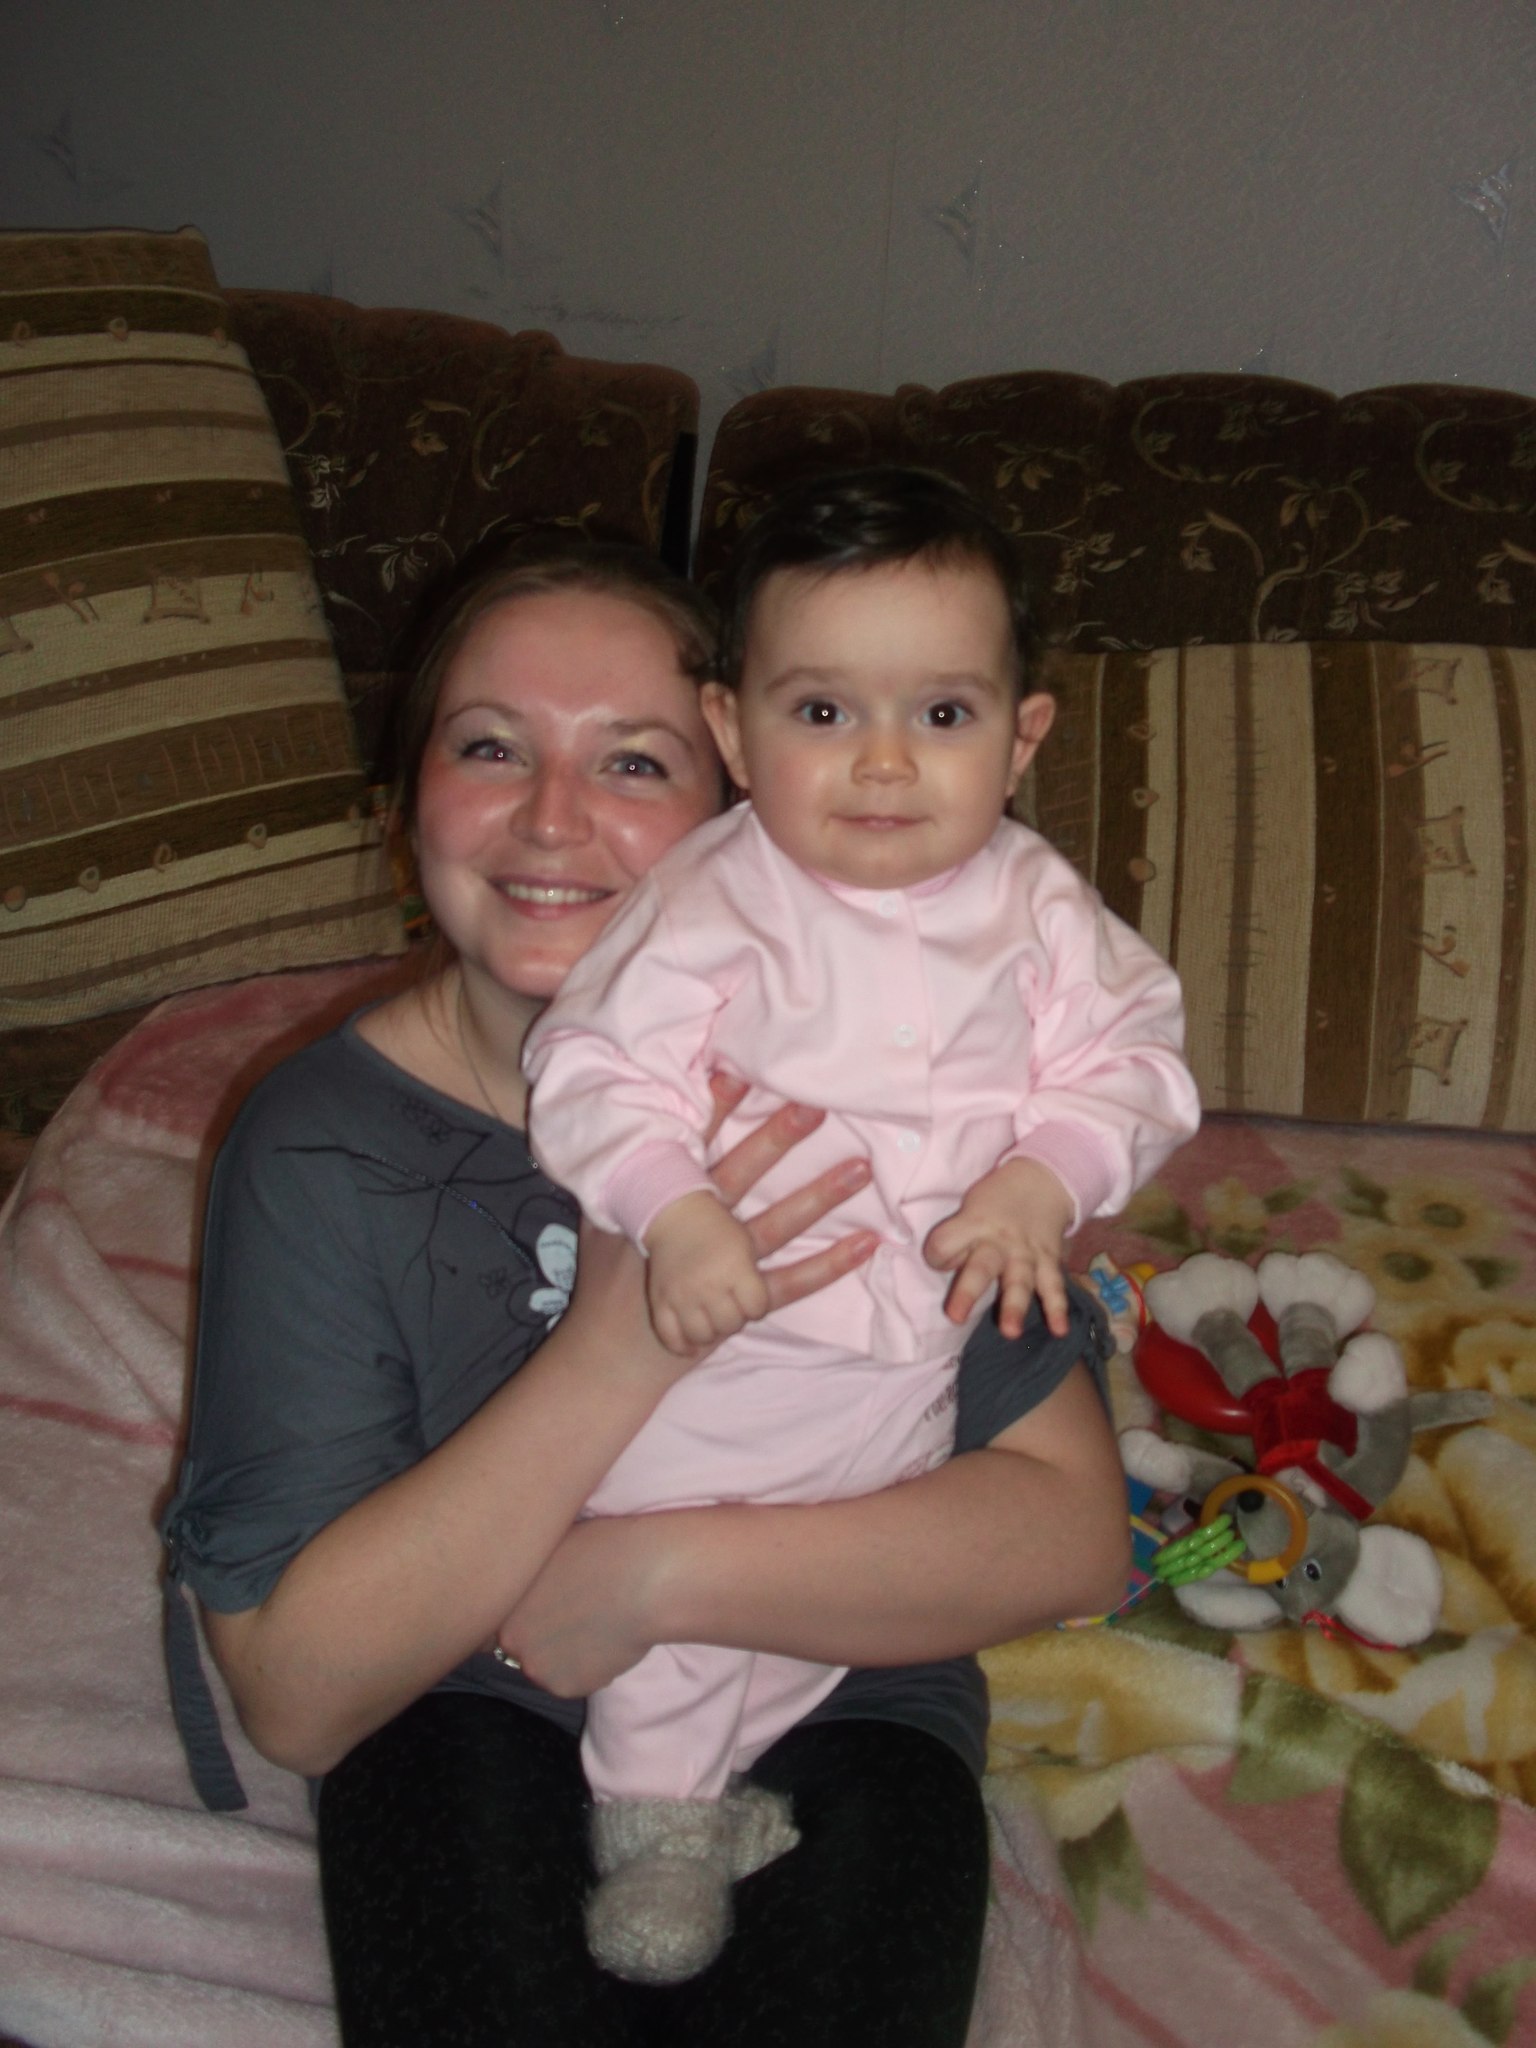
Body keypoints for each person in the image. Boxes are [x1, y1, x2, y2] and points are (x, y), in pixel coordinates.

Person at [162, 530, 1138, 2048]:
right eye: (491, 746)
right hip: (468, 1694)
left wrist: (658, 1576)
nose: (552, 819)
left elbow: (1069, 1533)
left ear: (745, 797)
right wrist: (621, 1346)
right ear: (408, 792)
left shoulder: (889, 1089)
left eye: (633, 762)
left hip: (841, 1683)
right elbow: (297, 1695)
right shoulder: (323, 1149)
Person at [523, 469, 1201, 1982]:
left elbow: (1135, 1061)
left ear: (1023, 735)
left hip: (920, 1357)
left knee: (833, 1576)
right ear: (730, 729)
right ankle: (656, 1820)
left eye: (942, 714)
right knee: (676, 1536)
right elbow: (595, 1069)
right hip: (734, 1342)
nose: (884, 763)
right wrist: (675, 1212)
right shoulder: (708, 899)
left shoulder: (1040, 904)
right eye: (824, 711)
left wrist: (1045, 1178)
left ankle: (728, 1778)